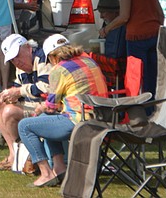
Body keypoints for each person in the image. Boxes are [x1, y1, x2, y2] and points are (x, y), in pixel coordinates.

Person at [17, 35, 107, 188]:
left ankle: (46, 173)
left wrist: (40, 108)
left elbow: (52, 106)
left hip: (79, 121)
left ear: (53, 56)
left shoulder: (59, 70)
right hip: (102, 118)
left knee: (24, 126)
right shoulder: (89, 61)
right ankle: (59, 168)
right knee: (47, 117)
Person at [99, 0, 163, 97]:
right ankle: (152, 110)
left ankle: (140, 112)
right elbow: (160, 12)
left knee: (137, 79)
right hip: (154, 33)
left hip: (136, 36)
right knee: (152, 77)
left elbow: (124, 16)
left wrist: (106, 30)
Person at [0, 34, 52, 171]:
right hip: (34, 104)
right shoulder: (21, 67)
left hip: (46, 106)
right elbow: (16, 88)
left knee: (9, 112)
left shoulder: (42, 59)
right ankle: (13, 155)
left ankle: (22, 156)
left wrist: (18, 92)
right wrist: (3, 95)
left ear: (28, 47)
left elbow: (46, 88)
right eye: (12, 59)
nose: (16, 61)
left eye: (17, 55)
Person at [93, 0, 127, 89]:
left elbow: (117, 53)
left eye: (103, 12)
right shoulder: (107, 24)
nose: (101, 16)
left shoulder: (121, 28)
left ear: (115, 12)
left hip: (116, 68)